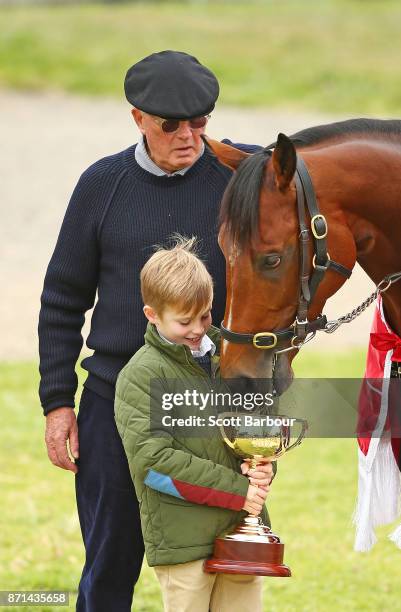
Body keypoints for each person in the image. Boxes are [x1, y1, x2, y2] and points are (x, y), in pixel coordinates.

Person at [38, 50, 261, 611]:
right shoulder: (101, 185)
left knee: (211, 564)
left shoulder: (240, 180)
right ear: (138, 117)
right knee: (110, 562)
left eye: (200, 122)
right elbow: (62, 299)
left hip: (207, 408)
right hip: (114, 402)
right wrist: (58, 402)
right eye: (170, 124)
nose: (187, 136)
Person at [115, 237, 274, 612]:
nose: (198, 329)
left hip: (242, 535)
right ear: (152, 314)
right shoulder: (140, 375)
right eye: (184, 321)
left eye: (204, 315)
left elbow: (258, 429)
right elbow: (153, 465)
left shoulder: (232, 359)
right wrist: (239, 490)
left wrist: (263, 467)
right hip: (183, 545)